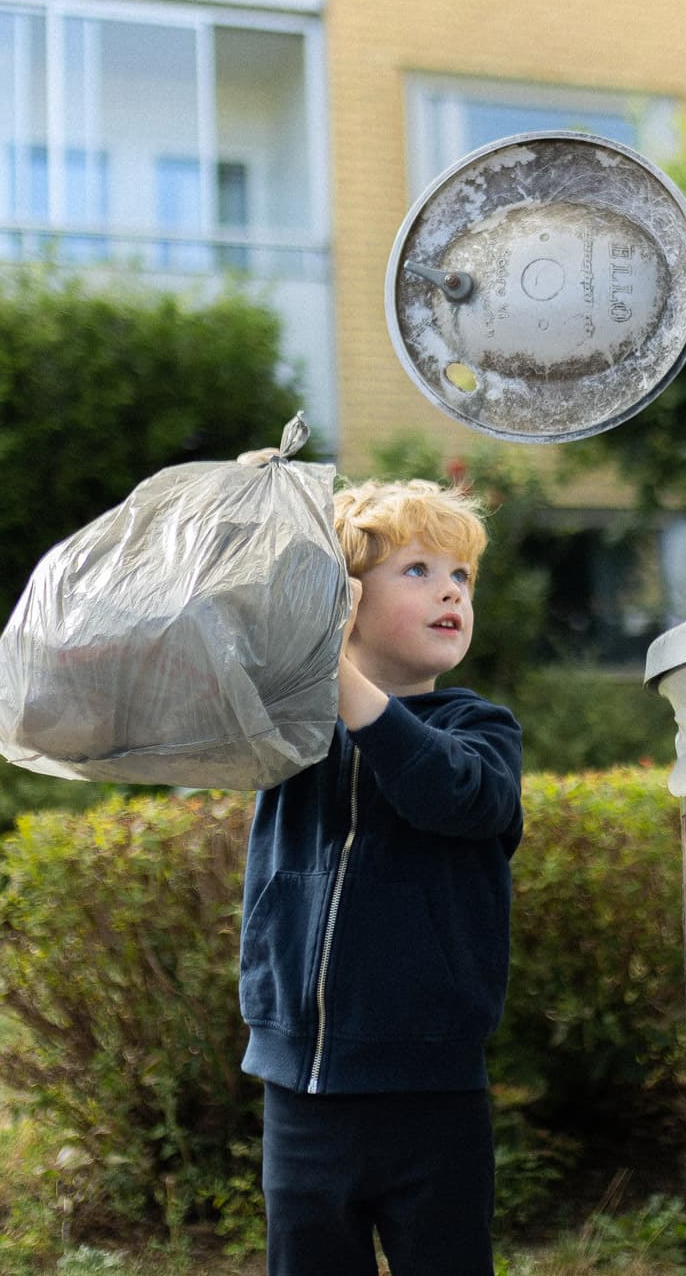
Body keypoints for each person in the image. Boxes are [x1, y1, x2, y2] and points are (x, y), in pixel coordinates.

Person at [239, 476, 525, 1276]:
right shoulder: (293, 732)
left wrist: (345, 683)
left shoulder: (479, 728)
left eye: (461, 576)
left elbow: (453, 794)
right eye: (418, 571)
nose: (450, 592)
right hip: (298, 1092)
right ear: (343, 604)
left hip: (430, 1096)